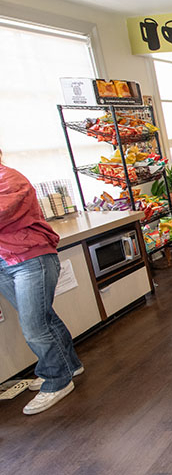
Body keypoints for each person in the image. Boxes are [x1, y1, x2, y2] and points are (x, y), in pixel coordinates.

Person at [0, 149, 84, 415]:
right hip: (6, 261)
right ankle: (68, 365)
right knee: (43, 319)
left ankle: (57, 381)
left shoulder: (10, 180)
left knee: (34, 326)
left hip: (29, 259)